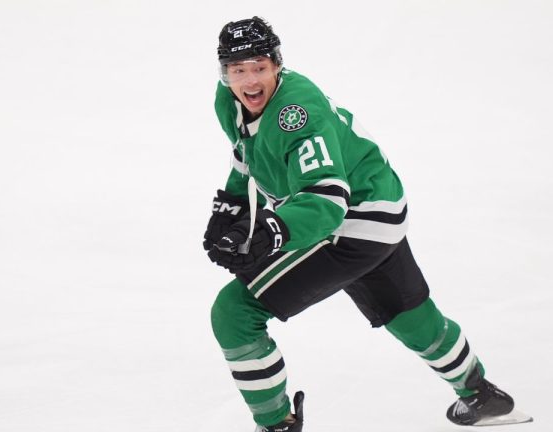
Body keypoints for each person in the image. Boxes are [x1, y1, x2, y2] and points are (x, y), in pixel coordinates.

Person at [203, 17, 528, 432]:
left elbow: (327, 200)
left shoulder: (295, 113)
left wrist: (273, 230)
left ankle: (276, 425)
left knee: (234, 312)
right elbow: (248, 153)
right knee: (407, 313)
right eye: (238, 69)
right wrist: (233, 206)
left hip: (350, 219)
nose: (249, 80)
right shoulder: (228, 100)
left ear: (277, 66)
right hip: (382, 206)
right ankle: (482, 395)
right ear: (224, 71)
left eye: (260, 67)